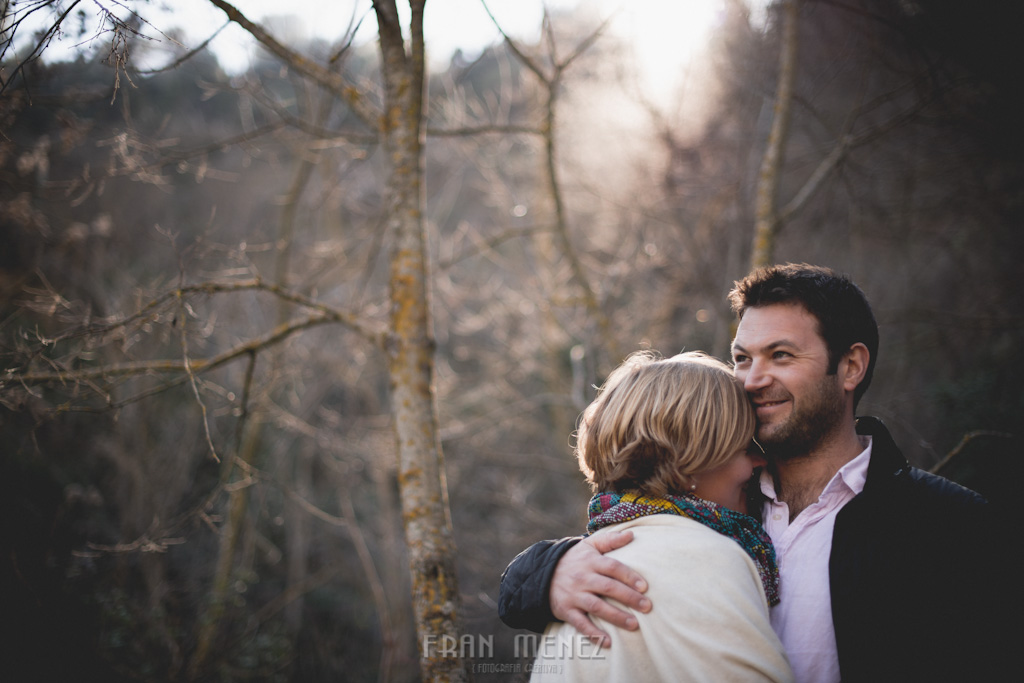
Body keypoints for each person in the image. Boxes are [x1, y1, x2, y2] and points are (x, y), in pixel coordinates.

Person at [501, 264, 1010, 682]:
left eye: (781, 356)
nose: (752, 379)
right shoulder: (707, 499)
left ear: (851, 366)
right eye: (742, 358)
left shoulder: (950, 525)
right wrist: (547, 572)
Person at [529, 350, 793, 682]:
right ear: (687, 467)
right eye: (744, 449)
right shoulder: (706, 557)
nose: (759, 463)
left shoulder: (585, 569)